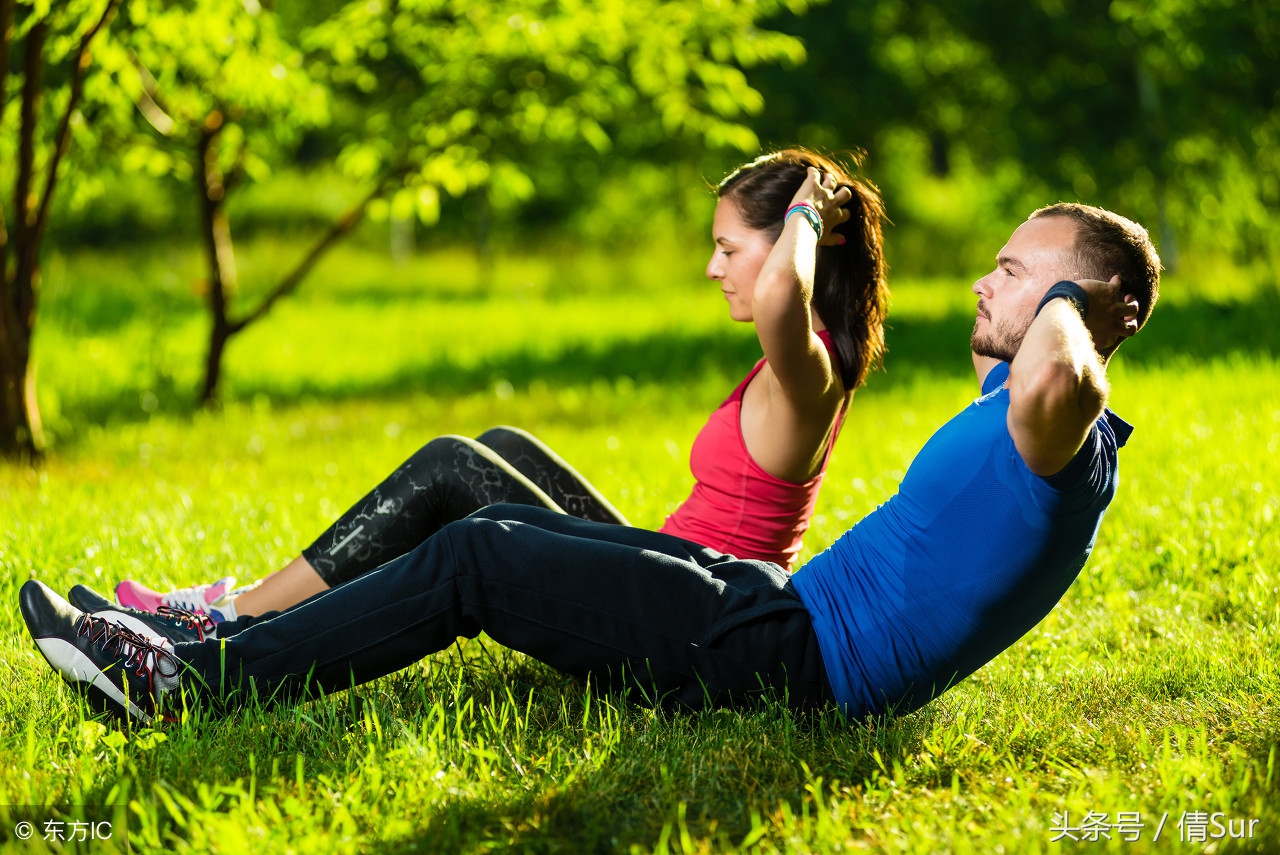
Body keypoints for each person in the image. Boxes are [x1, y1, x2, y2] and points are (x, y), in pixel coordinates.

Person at [20, 201, 1158, 726]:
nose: (985, 283)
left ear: (1090, 306)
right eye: (999, 266)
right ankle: (193, 638)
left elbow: (1061, 373)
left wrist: (1069, 298)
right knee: (489, 499)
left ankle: (197, 687)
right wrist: (1041, 300)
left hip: (792, 663)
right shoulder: (1018, 418)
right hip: (770, 610)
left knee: (476, 556)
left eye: (1016, 272)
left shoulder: (1058, 432)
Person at [88, 148, 890, 625]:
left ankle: (238, 615)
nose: (712, 269)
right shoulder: (793, 369)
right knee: (501, 447)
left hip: (686, 616)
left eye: (727, 248)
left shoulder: (809, 370)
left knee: (451, 466)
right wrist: (800, 219)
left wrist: (806, 212)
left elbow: (784, 291)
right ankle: (255, 603)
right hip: (664, 576)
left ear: (788, 244)